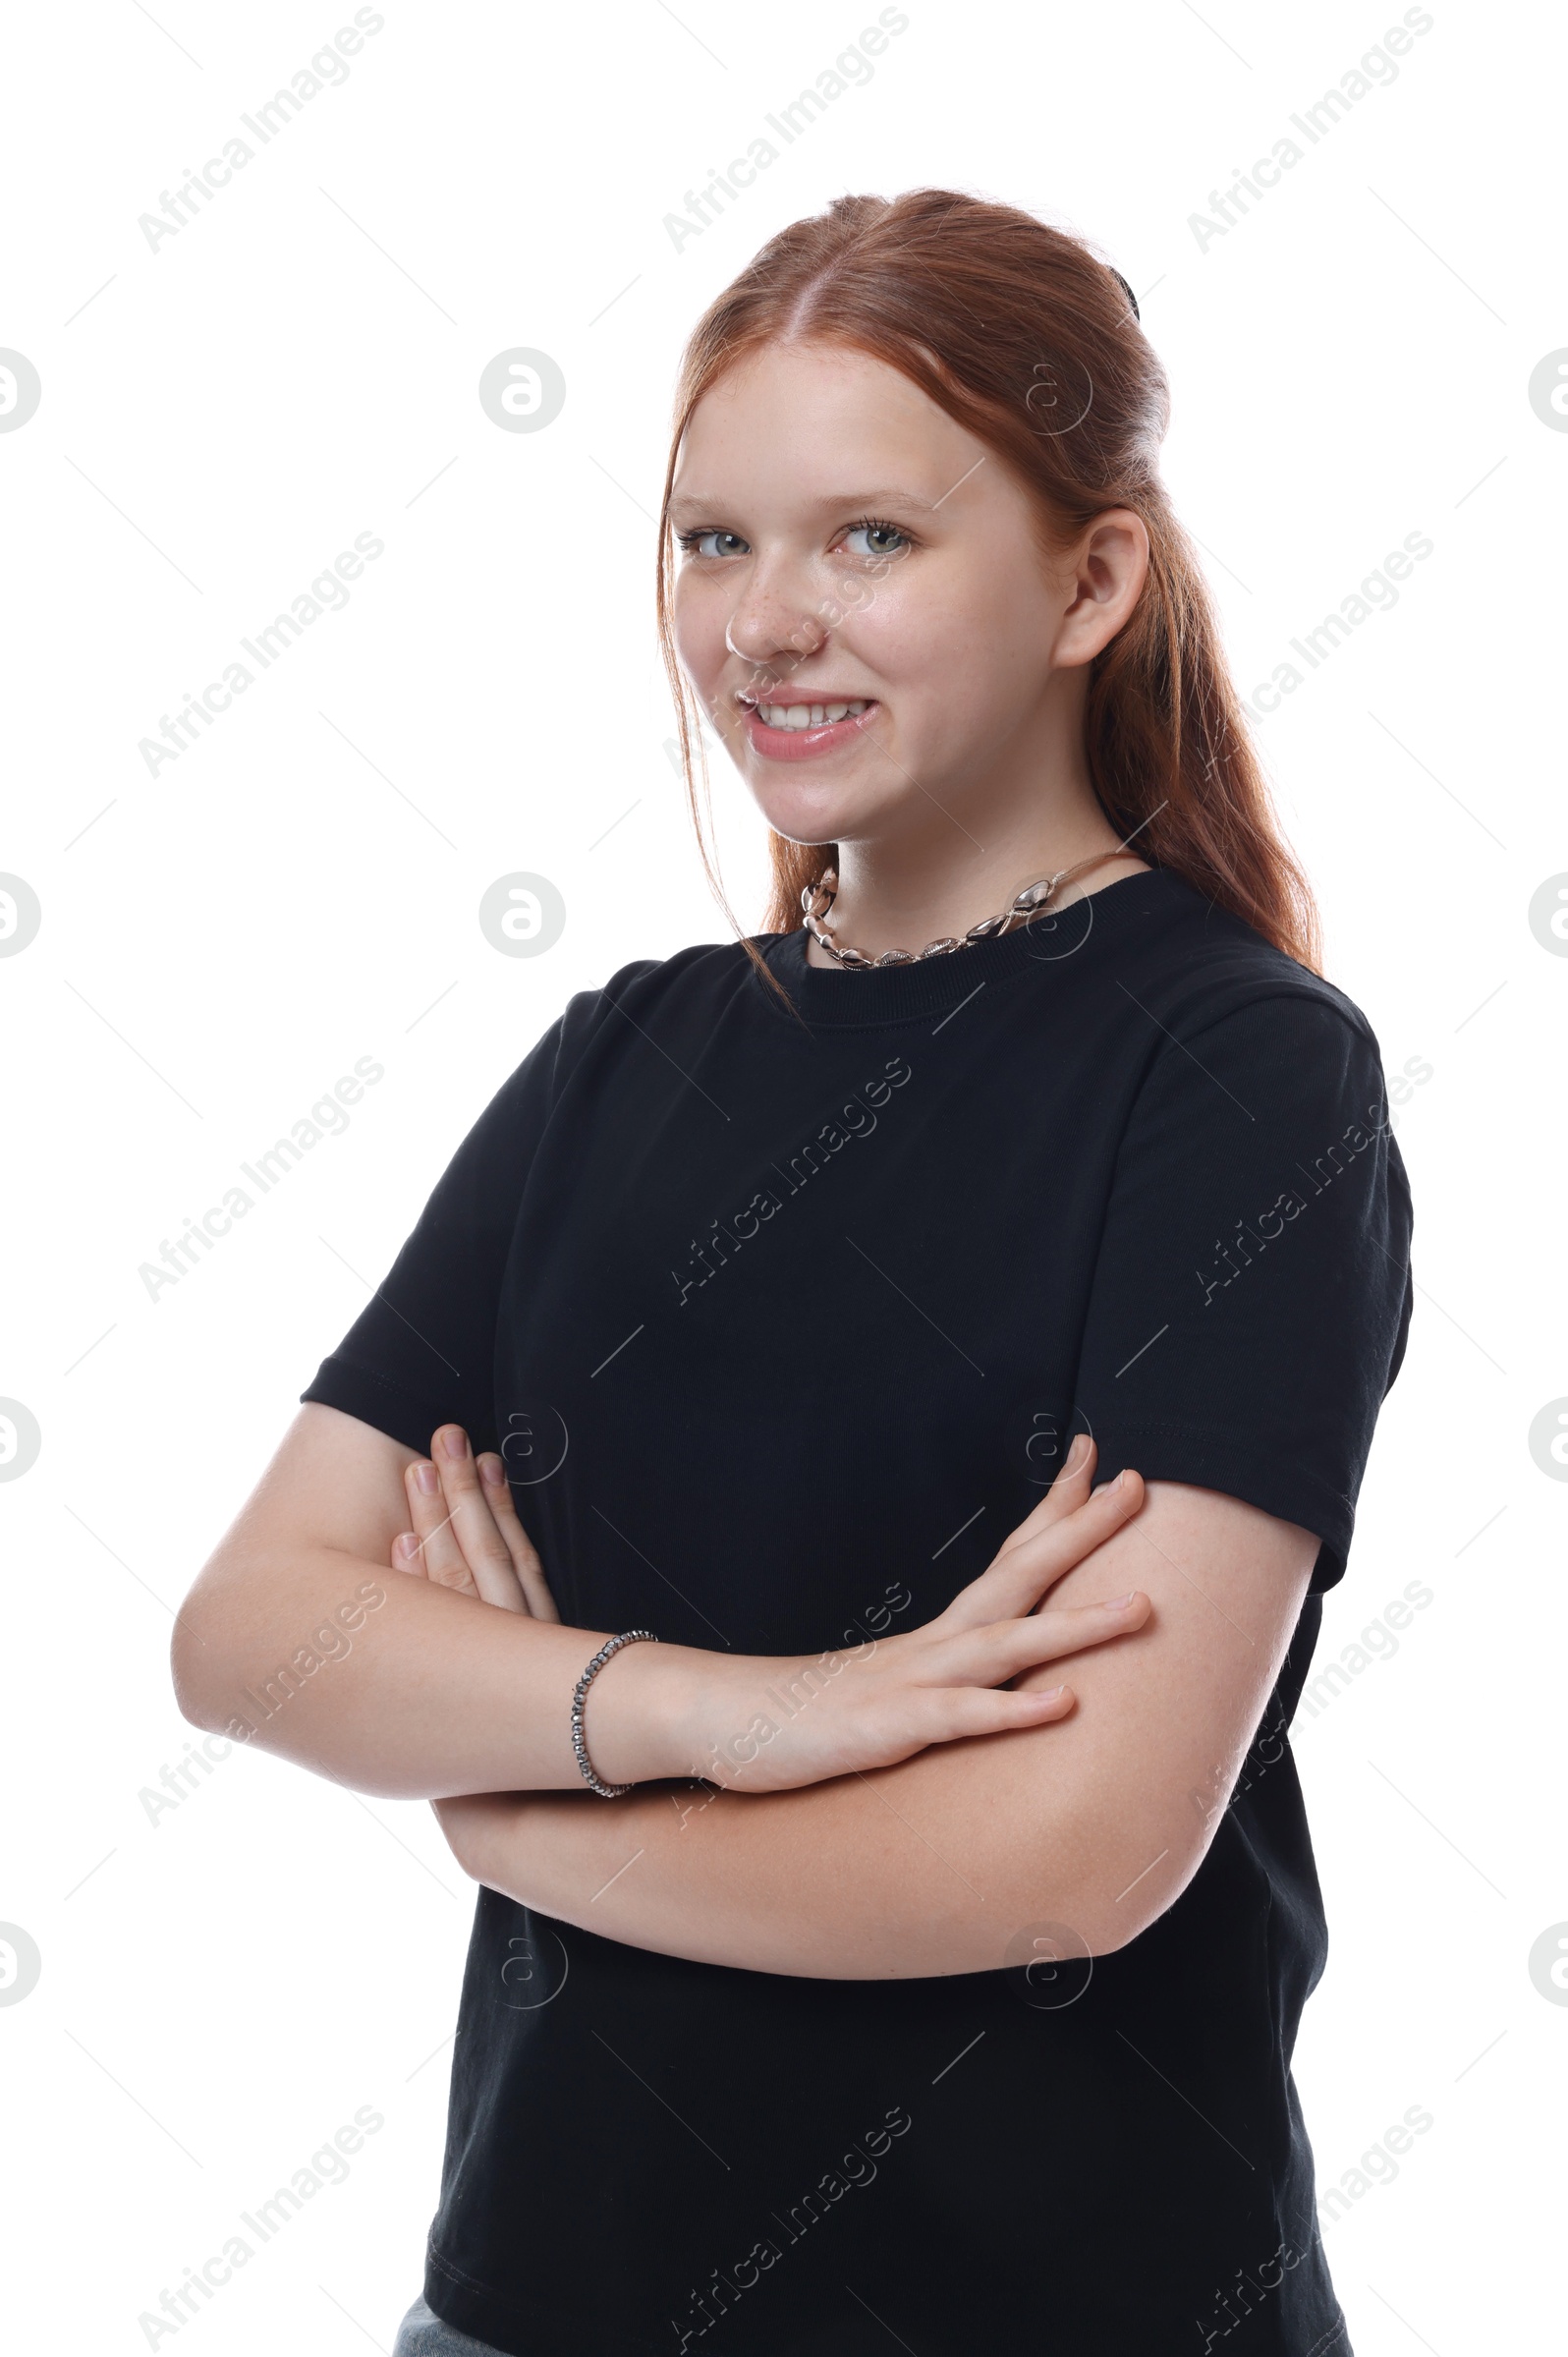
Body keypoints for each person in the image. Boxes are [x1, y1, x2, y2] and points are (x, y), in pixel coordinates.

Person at [173, 190, 1414, 2357]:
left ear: (1088, 580)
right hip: (537, 2308)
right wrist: (737, 1721)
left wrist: (521, 1801)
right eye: (711, 541)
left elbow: (1071, 1850)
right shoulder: (624, 1057)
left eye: (868, 539)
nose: (763, 622)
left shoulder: (1230, 1075)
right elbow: (254, 1635)